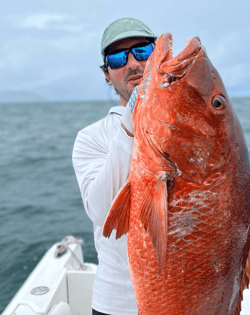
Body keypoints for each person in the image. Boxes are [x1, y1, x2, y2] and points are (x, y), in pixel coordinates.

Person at [72, 17, 157, 315]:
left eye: (143, 51)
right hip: (118, 303)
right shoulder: (91, 138)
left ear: (159, 57)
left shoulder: (189, 124)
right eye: (118, 58)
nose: (132, 63)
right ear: (107, 74)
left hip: (189, 289)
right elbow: (101, 211)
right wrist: (133, 115)